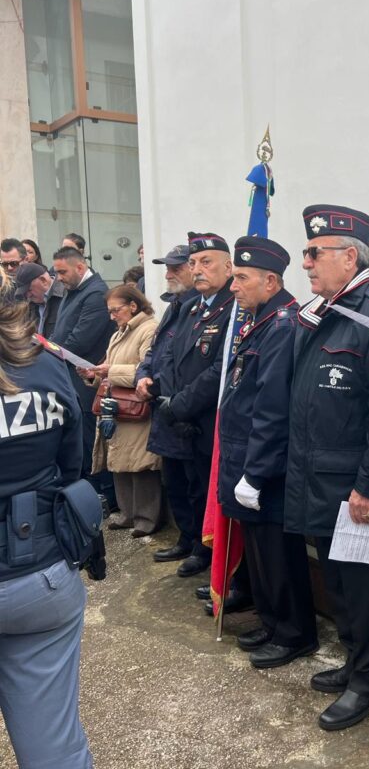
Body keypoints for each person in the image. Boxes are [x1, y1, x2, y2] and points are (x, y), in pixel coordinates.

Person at [284, 205, 369, 730]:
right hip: (320, 479)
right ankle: (354, 660)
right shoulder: (328, 309)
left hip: (353, 488)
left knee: (361, 585)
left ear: (349, 256)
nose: (307, 263)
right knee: (339, 583)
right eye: (306, 253)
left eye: (315, 254)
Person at [0, 268, 97, 769]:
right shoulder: (46, 366)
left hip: (36, 576)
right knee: (57, 760)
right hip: (40, 576)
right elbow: (74, 464)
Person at [219, 235, 318, 666]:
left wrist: (255, 473)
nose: (233, 286)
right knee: (260, 552)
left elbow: (272, 407)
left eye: (241, 277)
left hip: (266, 466)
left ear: (271, 280)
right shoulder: (262, 318)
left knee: (278, 554)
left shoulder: (281, 325)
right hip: (245, 456)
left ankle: (295, 633)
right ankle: (274, 623)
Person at [155, 232, 236, 577]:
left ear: (229, 266)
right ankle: (200, 549)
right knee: (192, 487)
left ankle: (211, 556)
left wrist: (182, 404)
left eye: (207, 262)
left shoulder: (234, 307)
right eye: (193, 263)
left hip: (209, 419)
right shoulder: (190, 307)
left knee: (210, 496)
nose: (197, 269)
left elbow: (221, 368)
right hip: (183, 419)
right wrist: (173, 404)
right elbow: (171, 359)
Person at [136, 245, 199, 563]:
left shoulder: (198, 309)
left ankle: (201, 547)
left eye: (175, 268)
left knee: (193, 487)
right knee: (174, 483)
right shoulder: (174, 306)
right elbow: (154, 352)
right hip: (163, 410)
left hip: (185, 414)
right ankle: (186, 539)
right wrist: (143, 376)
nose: (168, 274)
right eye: (167, 268)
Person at [85, 285, 162, 537]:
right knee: (119, 461)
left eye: (115, 310)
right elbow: (110, 368)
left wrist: (109, 371)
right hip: (117, 406)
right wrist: (93, 374)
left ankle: (146, 519)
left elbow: (146, 369)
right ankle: (128, 513)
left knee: (140, 464)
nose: (112, 316)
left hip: (136, 406)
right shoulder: (120, 332)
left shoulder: (148, 329)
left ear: (133, 305)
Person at [50, 247, 113, 480]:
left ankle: (100, 497)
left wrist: (48, 351)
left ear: (80, 267)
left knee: (90, 444)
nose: (58, 278)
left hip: (87, 383)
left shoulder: (96, 294)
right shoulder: (74, 289)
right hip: (70, 378)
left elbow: (80, 340)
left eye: (62, 272)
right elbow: (62, 330)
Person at [14, 262, 65, 337]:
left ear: (43, 280)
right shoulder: (29, 303)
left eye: (29, 290)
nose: (28, 295)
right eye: (25, 293)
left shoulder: (66, 295)